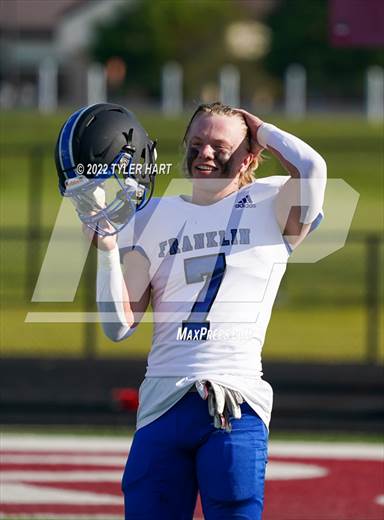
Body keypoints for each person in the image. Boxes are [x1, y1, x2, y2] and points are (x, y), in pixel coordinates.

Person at [59, 102, 326, 519]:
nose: (205, 153)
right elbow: (118, 327)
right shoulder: (148, 216)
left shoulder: (271, 202)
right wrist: (109, 249)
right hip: (162, 401)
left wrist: (263, 130)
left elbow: (312, 166)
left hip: (234, 403)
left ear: (250, 155)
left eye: (221, 146)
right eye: (197, 143)